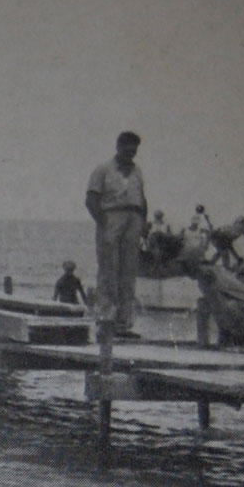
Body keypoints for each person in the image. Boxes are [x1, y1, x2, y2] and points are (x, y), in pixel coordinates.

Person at [85, 132, 149, 340]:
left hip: (134, 219)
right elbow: (91, 199)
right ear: (118, 146)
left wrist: (143, 224)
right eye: (127, 149)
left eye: (134, 150)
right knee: (108, 271)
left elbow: (142, 198)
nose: (130, 154)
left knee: (128, 273)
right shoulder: (103, 169)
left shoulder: (137, 171)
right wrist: (104, 223)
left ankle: (123, 325)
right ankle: (105, 321)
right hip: (111, 217)